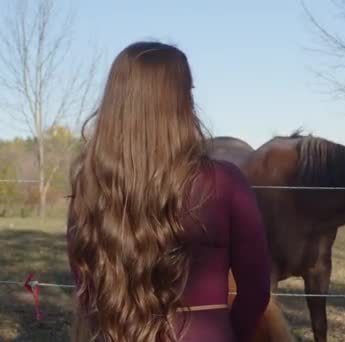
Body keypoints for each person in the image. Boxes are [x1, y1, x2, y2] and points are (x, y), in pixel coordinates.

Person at [65, 41, 271, 342]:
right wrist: (224, 333)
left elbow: (86, 286)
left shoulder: (90, 186)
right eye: (188, 93)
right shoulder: (225, 182)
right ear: (180, 103)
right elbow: (255, 291)